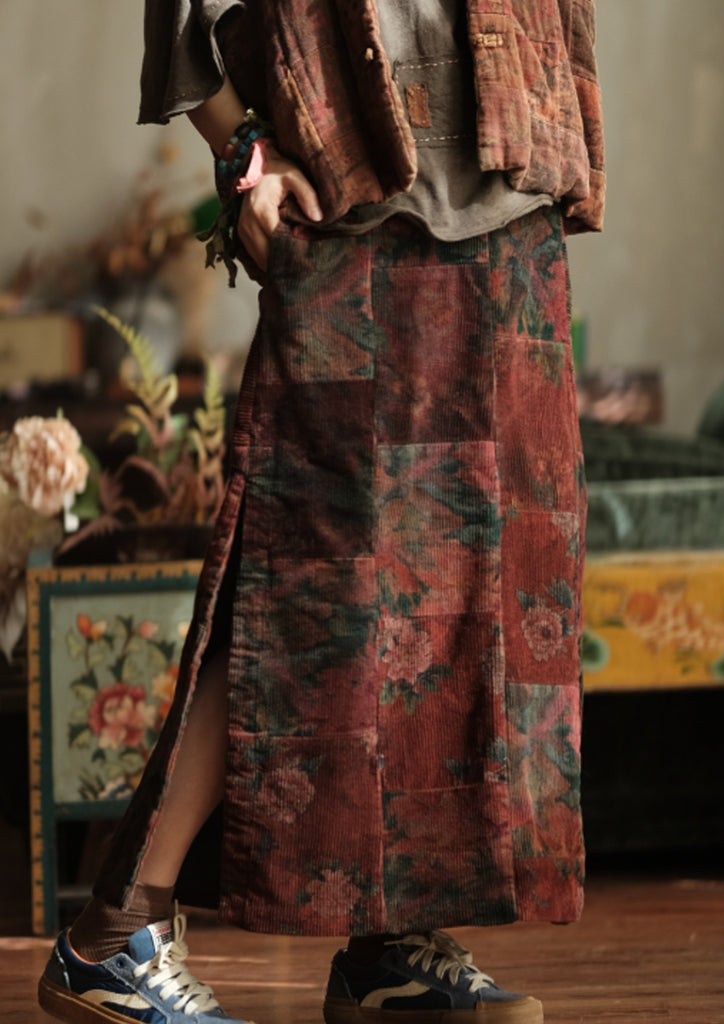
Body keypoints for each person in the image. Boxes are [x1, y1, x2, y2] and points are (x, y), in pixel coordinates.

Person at [38, 2, 604, 1023]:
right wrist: (244, 150)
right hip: (357, 224)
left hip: (515, 214)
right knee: (303, 595)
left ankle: (393, 946)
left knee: (467, 602)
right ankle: (117, 932)